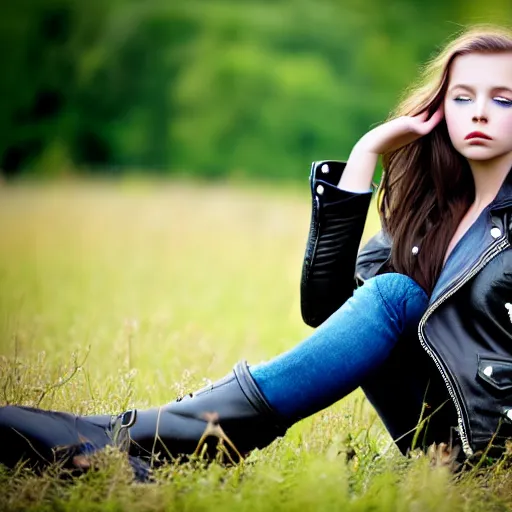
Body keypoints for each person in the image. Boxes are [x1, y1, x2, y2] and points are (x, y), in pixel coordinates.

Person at [2, 24, 512, 480]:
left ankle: (143, 435)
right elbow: (328, 309)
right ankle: (158, 437)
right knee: (394, 292)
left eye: (503, 99)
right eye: (462, 97)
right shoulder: (439, 211)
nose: (480, 114)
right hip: (436, 439)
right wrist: (365, 155)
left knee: (393, 292)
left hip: (494, 448)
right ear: (440, 108)